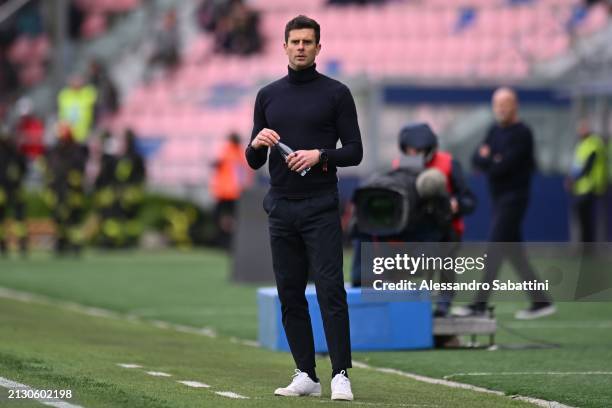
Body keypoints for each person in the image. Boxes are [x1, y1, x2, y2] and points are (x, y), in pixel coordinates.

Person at [245, 15, 362, 401]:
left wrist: (319, 155)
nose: (300, 47)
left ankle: (341, 374)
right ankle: (305, 374)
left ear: (317, 48)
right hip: (281, 206)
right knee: (290, 293)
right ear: (284, 46)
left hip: (321, 205)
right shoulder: (267, 95)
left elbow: (355, 152)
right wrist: (258, 144)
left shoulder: (337, 93)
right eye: (294, 41)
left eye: (307, 42)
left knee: (331, 291)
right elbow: (251, 160)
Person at [455, 87, 556, 320]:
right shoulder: (493, 130)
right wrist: (491, 159)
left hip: (515, 199)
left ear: (515, 105)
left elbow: (503, 166)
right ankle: (541, 302)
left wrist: (490, 158)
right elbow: (476, 159)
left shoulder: (522, 133)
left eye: (505, 104)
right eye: (497, 104)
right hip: (499, 199)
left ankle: (479, 305)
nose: (500, 108)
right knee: (514, 253)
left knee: (494, 248)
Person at [396, 123, 476, 317]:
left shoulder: (448, 163)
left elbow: (470, 200)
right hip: (416, 228)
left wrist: (457, 205)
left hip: (447, 227)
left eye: (418, 150)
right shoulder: (399, 166)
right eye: (410, 150)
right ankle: (409, 303)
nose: (414, 153)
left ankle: (443, 303)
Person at [44, 122, 88, 255]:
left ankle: (75, 245)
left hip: (72, 191)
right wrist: (50, 189)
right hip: (58, 190)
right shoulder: (55, 152)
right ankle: (61, 243)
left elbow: (79, 171)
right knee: (59, 218)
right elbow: (50, 171)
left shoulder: (76, 151)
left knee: (73, 219)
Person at [209, 132, 252, 248]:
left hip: (224, 192)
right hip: (236, 193)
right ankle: (232, 242)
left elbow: (215, 164)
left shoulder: (227, 151)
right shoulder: (241, 153)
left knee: (219, 218)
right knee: (234, 219)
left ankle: (222, 241)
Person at [567, 120, 607, 244]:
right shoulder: (583, 144)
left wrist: (574, 179)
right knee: (583, 219)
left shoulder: (593, 143)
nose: (580, 131)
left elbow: (587, 167)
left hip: (590, 187)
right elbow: (577, 165)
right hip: (581, 188)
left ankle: (588, 248)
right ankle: (585, 247)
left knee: (587, 220)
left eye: (583, 128)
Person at [0, 126, 27, 256]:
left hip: (15, 189)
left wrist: (18, 177)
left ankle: (22, 243)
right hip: (2, 189)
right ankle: (2, 244)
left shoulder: (16, 153)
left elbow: (24, 167)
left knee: (19, 217)